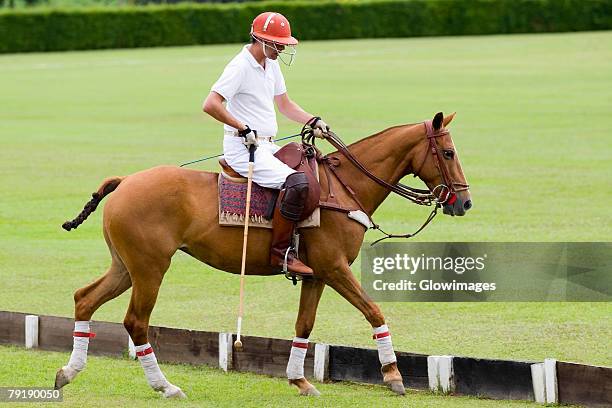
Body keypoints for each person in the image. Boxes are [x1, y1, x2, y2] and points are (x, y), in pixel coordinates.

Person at [203, 11, 330, 278]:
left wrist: (313, 120)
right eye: (278, 43)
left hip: (266, 146)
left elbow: (285, 104)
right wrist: (241, 127)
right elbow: (211, 104)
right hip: (244, 148)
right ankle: (281, 253)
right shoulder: (239, 66)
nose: (283, 47)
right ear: (261, 39)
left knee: (310, 166)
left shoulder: (271, 65)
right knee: (296, 182)